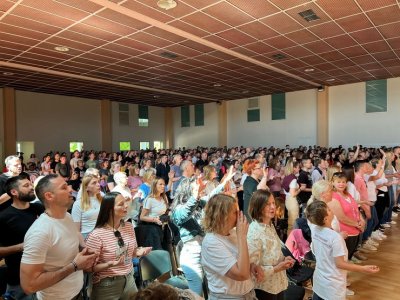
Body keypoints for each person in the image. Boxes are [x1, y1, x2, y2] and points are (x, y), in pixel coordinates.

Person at [20, 174, 97, 300]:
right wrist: (75, 266)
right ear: (49, 196)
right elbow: (29, 285)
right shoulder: (39, 232)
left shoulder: (67, 216)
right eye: (64, 187)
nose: (70, 189)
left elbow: (72, 238)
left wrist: (83, 248)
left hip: (77, 292)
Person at [305, 201, 379, 300]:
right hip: (333, 285)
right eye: (329, 210)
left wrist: (339, 236)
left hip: (319, 281)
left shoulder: (315, 230)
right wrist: (363, 269)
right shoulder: (335, 238)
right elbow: (340, 264)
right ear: (326, 218)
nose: (331, 210)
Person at [85, 192, 151, 300]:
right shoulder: (96, 235)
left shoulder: (128, 226)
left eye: (125, 203)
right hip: (107, 285)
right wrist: (110, 264)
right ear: (110, 209)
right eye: (121, 204)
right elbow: (88, 268)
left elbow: (132, 252)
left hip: (129, 279)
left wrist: (139, 252)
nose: (126, 206)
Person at [201, 194, 262, 300]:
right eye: (235, 212)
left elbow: (240, 261)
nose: (240, 215)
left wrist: (251, 266)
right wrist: (242, 236)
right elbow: (242, 274)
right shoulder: (211, 243)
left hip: (247, 294)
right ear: (222, 216)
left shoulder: (232, 233)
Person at [0, 174, 44, 300]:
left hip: (44, 273)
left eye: (31, 184)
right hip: (19, 279)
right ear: (14, 192)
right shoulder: (4, 217)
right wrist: (21, 247)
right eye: (26, 185)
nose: (31, 187)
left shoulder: (40, 209)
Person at [247, 190, 294, 300]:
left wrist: (284, 259)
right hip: (264, 288)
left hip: (277, 284)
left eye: (273, 203)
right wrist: (277, 268)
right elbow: (252, 269)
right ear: (258, 206)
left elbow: (273, 250)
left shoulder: (269, 225)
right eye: (268, 204)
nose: (273, 207)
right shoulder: (254, 231)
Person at [71, 175, 103, 239]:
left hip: (103, 235)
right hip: (87, 237)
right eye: (94, 183)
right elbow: (76, 230)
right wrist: (83, 245)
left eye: (98, 182)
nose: (98, 184)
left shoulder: (102, 200)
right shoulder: (78, 204)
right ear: (86, 187)